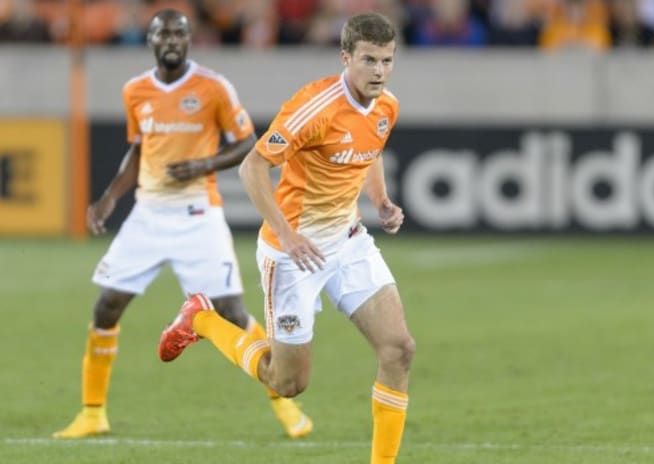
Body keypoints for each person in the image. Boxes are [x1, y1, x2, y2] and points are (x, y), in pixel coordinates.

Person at [158, 12, 416, 464]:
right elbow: (252, 167)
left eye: (387, 61)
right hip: (293, 255)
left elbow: (369, 152)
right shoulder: (314, 106)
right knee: (287, 382)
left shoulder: (386, 105)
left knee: (399, 349)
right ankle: (200, 318)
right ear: (346, 58)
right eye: (370, 60)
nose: (379, 71)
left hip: (348, 241)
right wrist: (288, 234)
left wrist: (381, 201)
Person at [53, 9, 313, 440]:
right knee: (106, 306)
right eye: (162, 33)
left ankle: (286, 404)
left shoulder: (213, 88)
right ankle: (92, 413)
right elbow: (138, 149)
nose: (171, 40)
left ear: (189, 39)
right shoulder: (136, 90)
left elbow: (248, 143)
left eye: (178, 33)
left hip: (199, 215)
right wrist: (108, 199)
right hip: (147, 215)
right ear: (150, 40)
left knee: (231, 312)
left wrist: (203, 164)